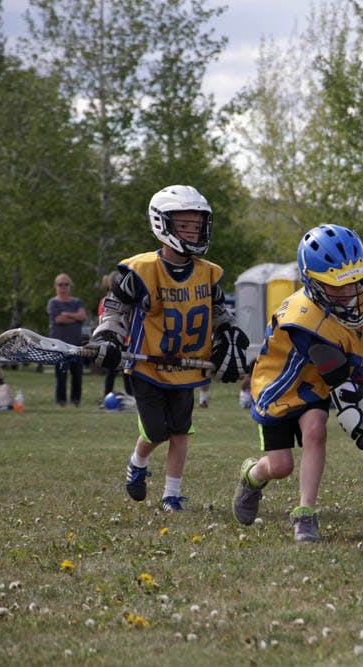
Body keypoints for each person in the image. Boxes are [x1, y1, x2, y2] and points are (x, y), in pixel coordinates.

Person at [232, 224, 363, 542]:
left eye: (354, 281)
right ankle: (252, 475)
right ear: (314, 283)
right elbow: (340, 384)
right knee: (280, 467)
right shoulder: (305, 319)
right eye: (337, 286)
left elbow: (352, 361)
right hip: (279, 388)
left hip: (314, 386)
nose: (350, 293)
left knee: (316, 431)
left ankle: (305, 513)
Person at [90, 185, 249, 513]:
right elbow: (114, 309)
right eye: (185, 224)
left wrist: (230, 337)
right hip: (147, 366)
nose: (194, 230)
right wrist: (107, 337)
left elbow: (220, 313)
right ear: (163, 224)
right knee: (156, 431)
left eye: (197, 224)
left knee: (181, 432)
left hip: (187, 367)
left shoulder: (207, 273)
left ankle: (171, 495)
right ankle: (137, 462)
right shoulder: (141, 271)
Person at [47, 273, 87, 407]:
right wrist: (74, 317)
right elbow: (58, 319)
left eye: (66, 284)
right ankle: (61, 401)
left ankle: (76, 400)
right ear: (55, 286)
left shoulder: (77, 301)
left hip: (76, 343)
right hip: (59, 345)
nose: (63, 287)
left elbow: (82, 316)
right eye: (60, 284)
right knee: (61, 374)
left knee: (77, 374)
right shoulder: (53, 302)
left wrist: (67, 314)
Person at [97, 273, 132, 399]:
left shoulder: (130, 301)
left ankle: (131, 395)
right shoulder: (106, 301)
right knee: (111, 370)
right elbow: (104, 319)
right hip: (114, 341)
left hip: (128, 341)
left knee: (127, 371)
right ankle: (107, 395)